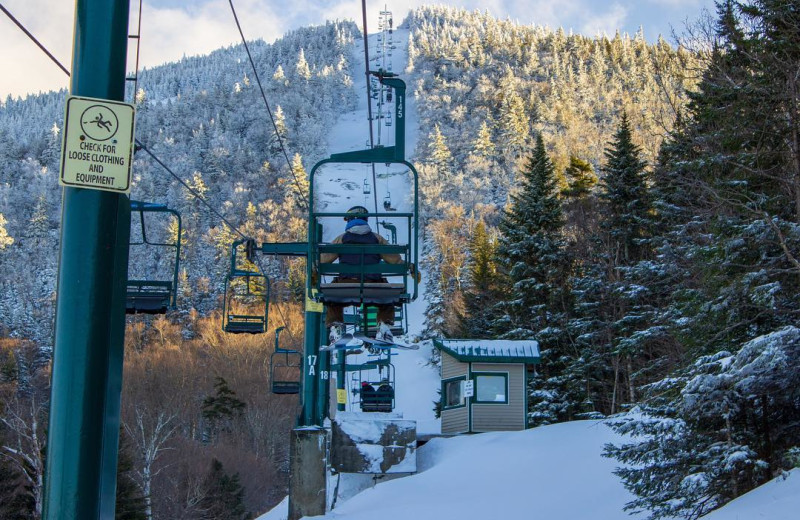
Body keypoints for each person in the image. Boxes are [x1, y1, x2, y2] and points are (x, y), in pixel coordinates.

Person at [322, 206, 403, 344]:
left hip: (345, 285)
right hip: (374, 285)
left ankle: (336, 328)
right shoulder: (377, 239)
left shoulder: (342, 239)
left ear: (348, 221)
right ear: (366, 220)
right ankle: (384, 328)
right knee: (387, 297)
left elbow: (323, 260)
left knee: (332, 298)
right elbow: (394, 260)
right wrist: (410, 266)